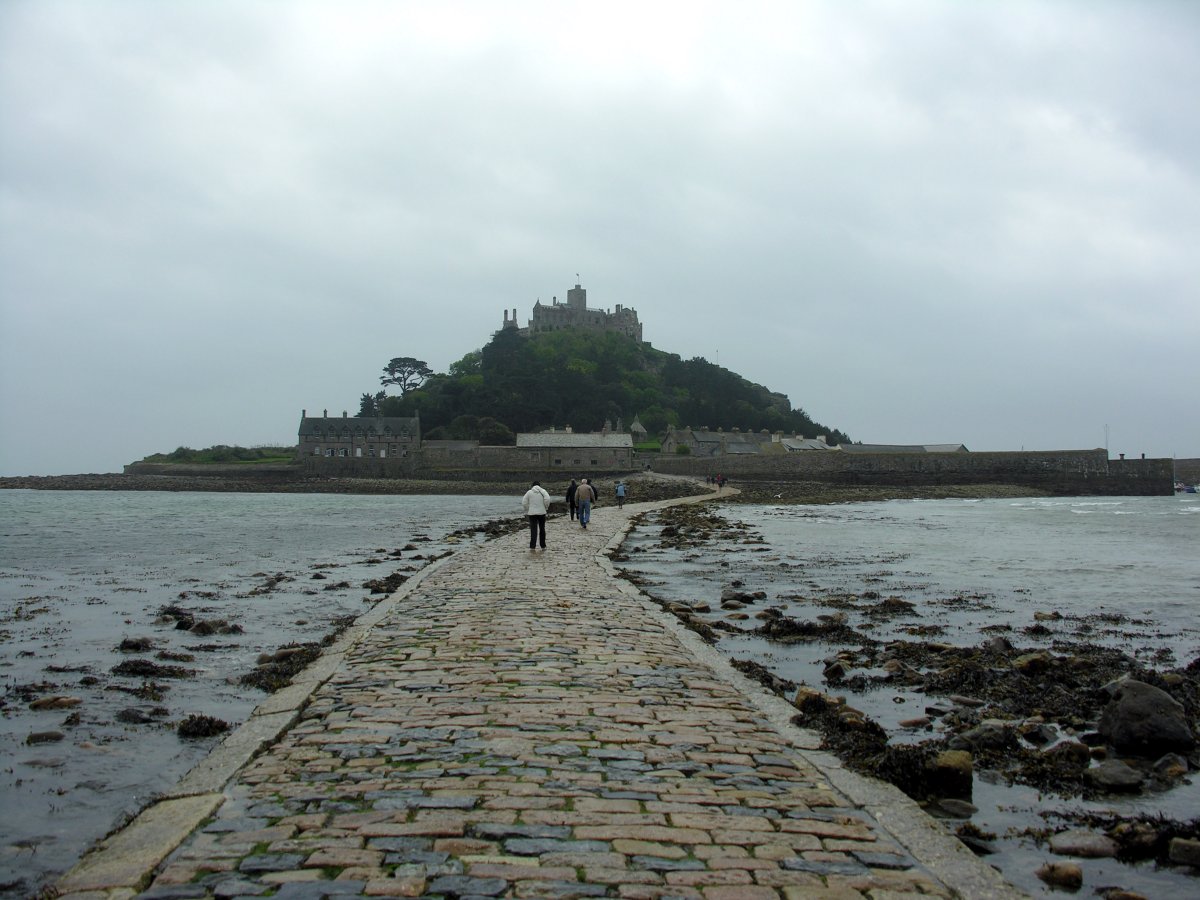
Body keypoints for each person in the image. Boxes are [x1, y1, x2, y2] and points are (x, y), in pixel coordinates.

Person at [522, 480, 551, 550]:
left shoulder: (529, 492)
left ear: (532, 485)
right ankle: (543, 546)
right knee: (542, 529)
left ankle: (532, 546)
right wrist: (546, 507)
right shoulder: (543, 491)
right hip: (542, 513)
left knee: (533, 530)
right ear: (539, 485)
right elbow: (547, 499)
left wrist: (528, 509)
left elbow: (524, 502)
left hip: (532, 513)